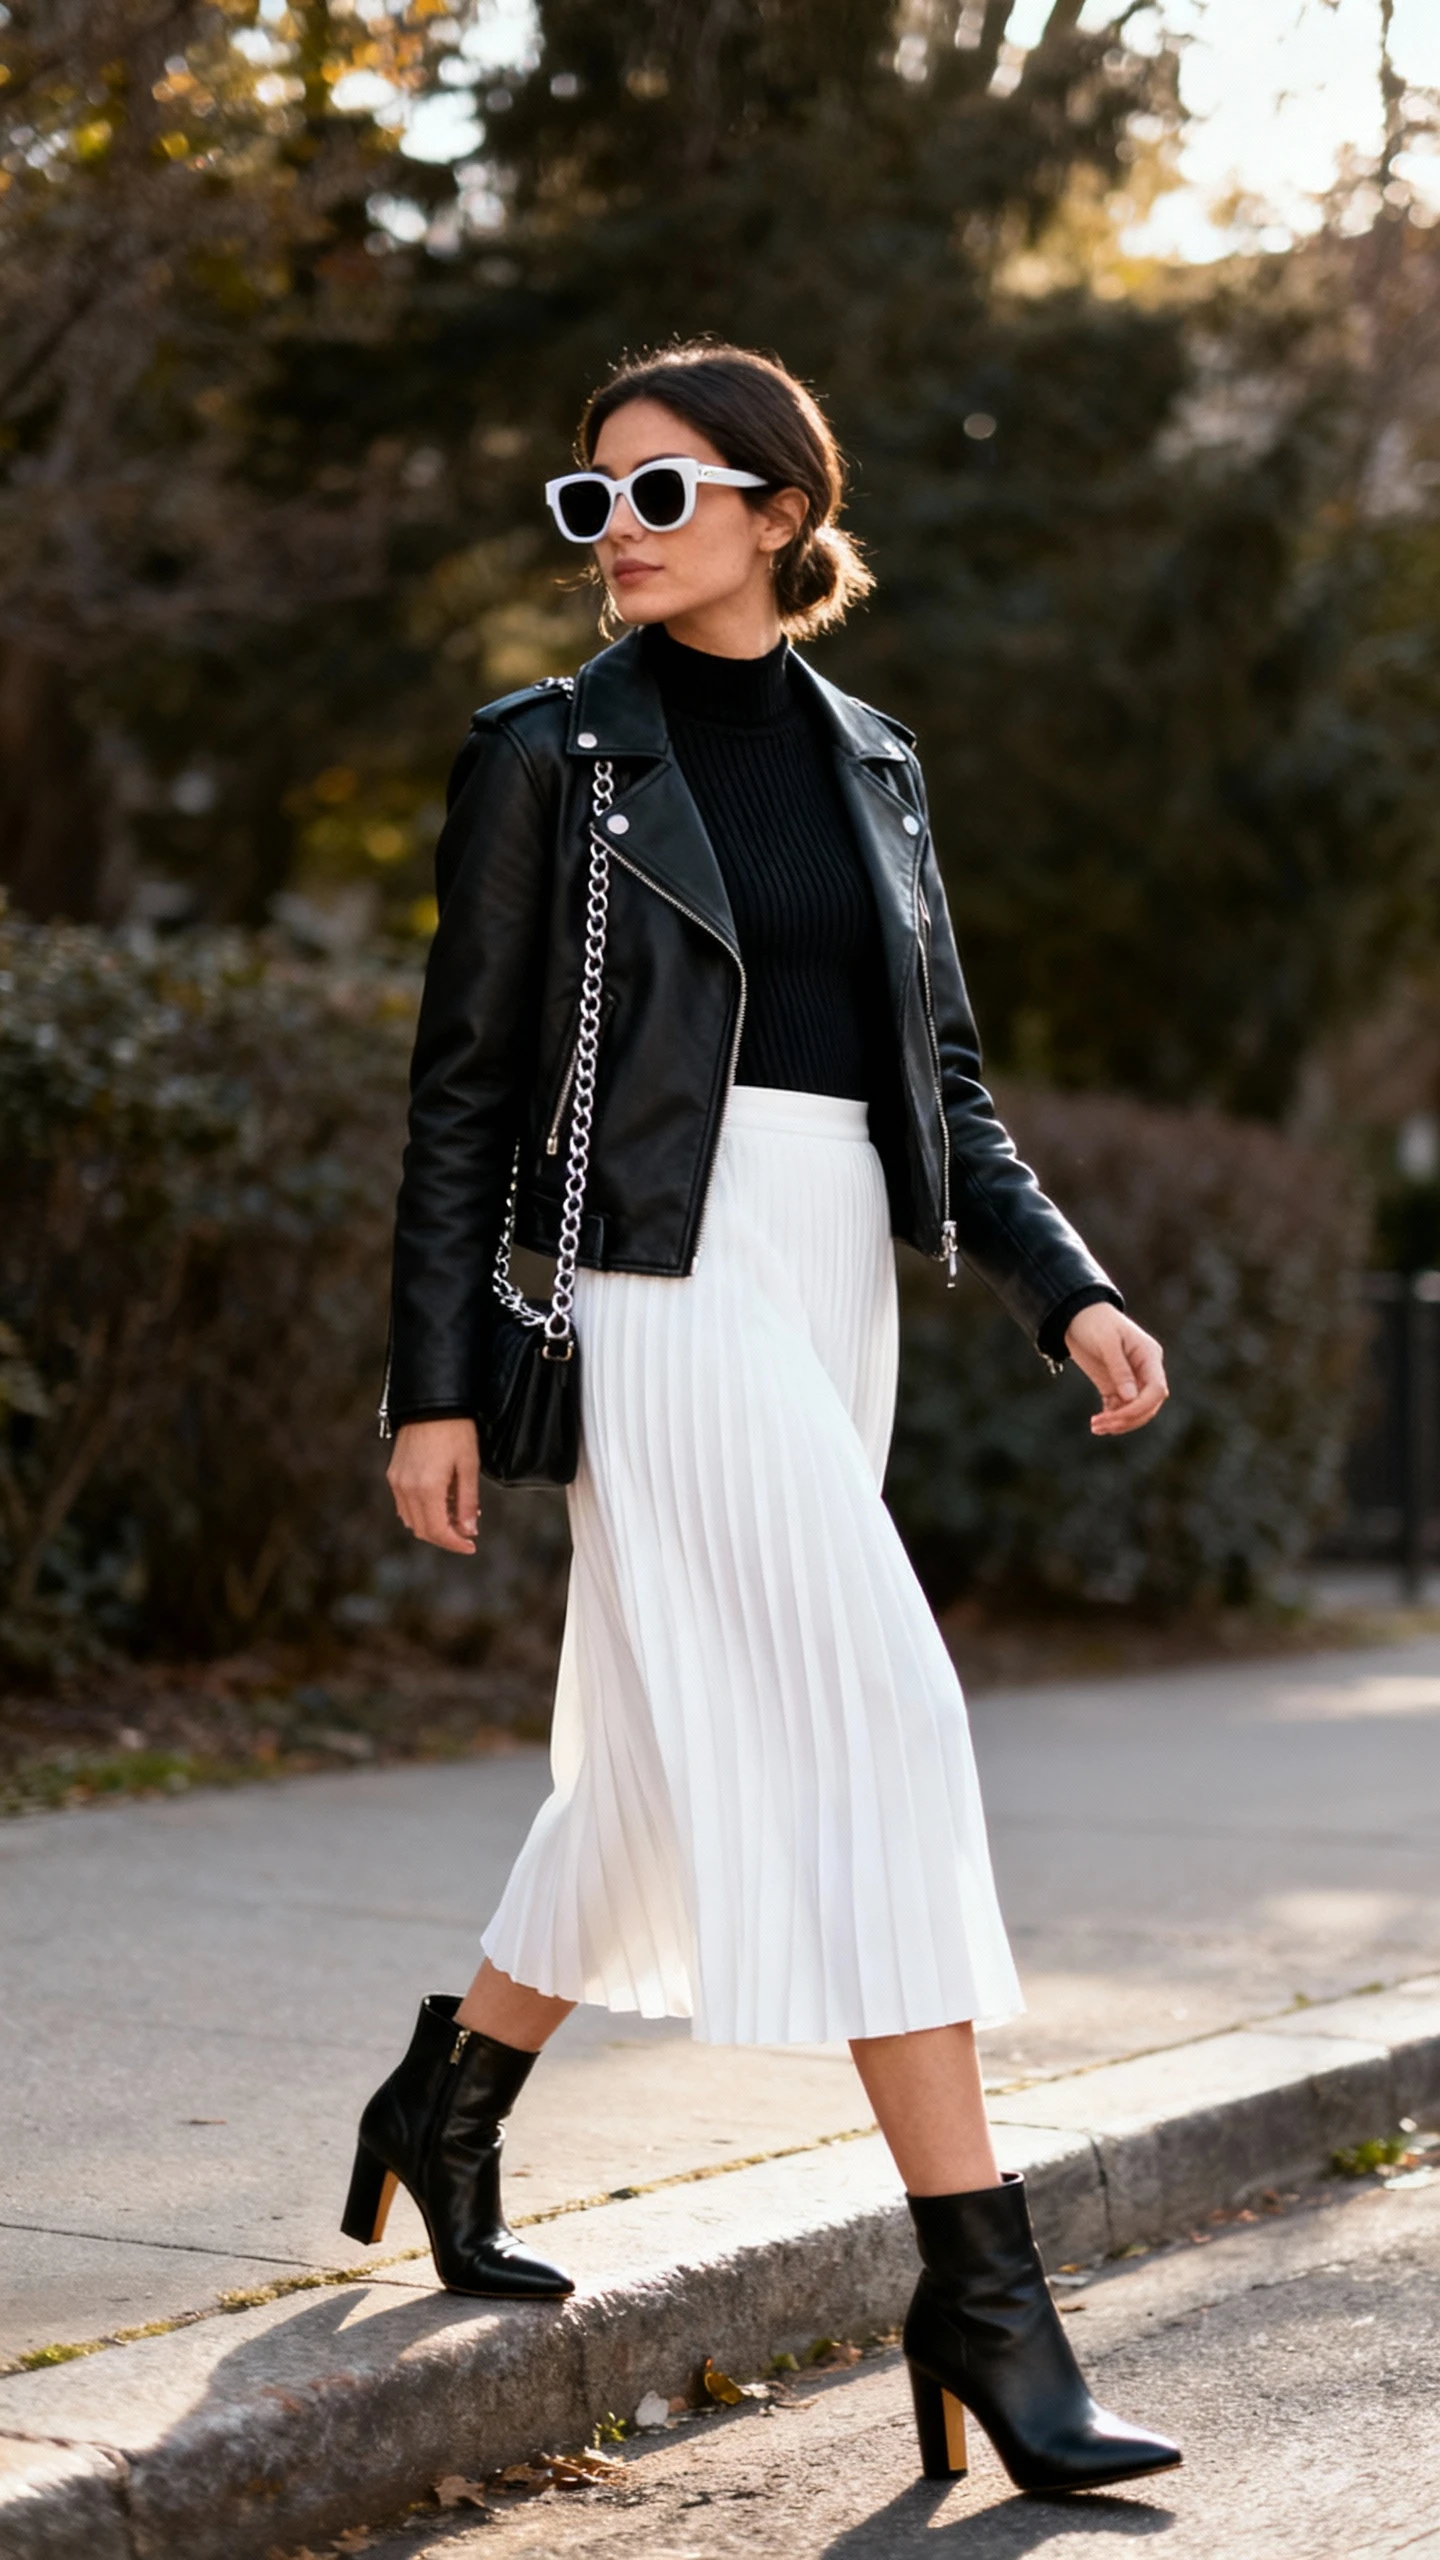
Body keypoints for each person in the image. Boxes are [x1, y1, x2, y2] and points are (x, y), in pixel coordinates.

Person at [342, 343, 1181, 2496]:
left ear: (781, 510)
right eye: (585, 499)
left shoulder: (877, 762)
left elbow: (947, 1082)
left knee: (647, 1775)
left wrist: (1063, 1278)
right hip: (659, 1280)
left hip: (832, 1280)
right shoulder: (550, 757)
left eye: (655, 491)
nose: (609, 529)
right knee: (884, 1710)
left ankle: (440, 2104)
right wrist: (434, 1376)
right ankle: (982, 2291)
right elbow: (463, 1085)